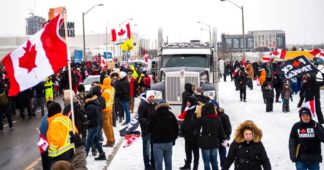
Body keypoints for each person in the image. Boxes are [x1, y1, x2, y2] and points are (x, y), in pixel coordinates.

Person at [149, 100, 179, 170]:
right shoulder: (171, 115)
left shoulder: (154, 115)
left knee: (158, 163)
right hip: (168, 142)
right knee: (168, 162)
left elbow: (149, 128)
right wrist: (173, 139)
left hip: (157, 143)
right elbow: (176, 128)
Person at [196, 102, 226, 170]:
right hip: (214, 142)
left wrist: (196, 114)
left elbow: (195, 126)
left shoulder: (202, 119)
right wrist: (224, 139)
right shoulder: (218, 119)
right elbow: (222, 132)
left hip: (205, 142)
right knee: (214, 161)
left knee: (206, 162)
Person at [138, 90, 157, 170]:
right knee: (146, 149)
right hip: (146, 131)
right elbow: (140, 118)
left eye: (153, 97)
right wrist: (148, 122)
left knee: (154, 149)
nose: (152, 98)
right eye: (150, 97)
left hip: (154, 131)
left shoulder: (155, 105)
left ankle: (153, 164)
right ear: (147, 97)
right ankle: (146, 165)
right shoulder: (143, 105)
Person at [179, 96, 200, 170]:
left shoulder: (197, 110)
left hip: (194, 136)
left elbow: (198, 123)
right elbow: (184, 121)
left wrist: (196, 132)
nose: (187, 103)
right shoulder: (188, 109)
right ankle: (187, 165)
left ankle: (195, 167)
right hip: (187, 135)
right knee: (188, 151)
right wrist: (182, 130)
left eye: (189, 101)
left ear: (192, 102)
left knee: (195, 152)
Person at [84, 93, 106, 160]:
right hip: (96, 125)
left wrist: (84, 113)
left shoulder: (90, 106)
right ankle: (102, 154)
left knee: (88, 142)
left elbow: (88, 116)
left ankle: (84, 157)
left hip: (92, 126)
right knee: (96, 141)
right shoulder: (94, 104)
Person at [101, 77, 115, 147]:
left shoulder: (105, 92)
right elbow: (105, 87)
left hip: (105, 110)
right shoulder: (112, 89)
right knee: (110, 125)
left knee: (106, 126)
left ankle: (110, 141)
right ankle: (112, 139)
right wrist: (98, 85)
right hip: (110, 109)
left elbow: (102, 103)